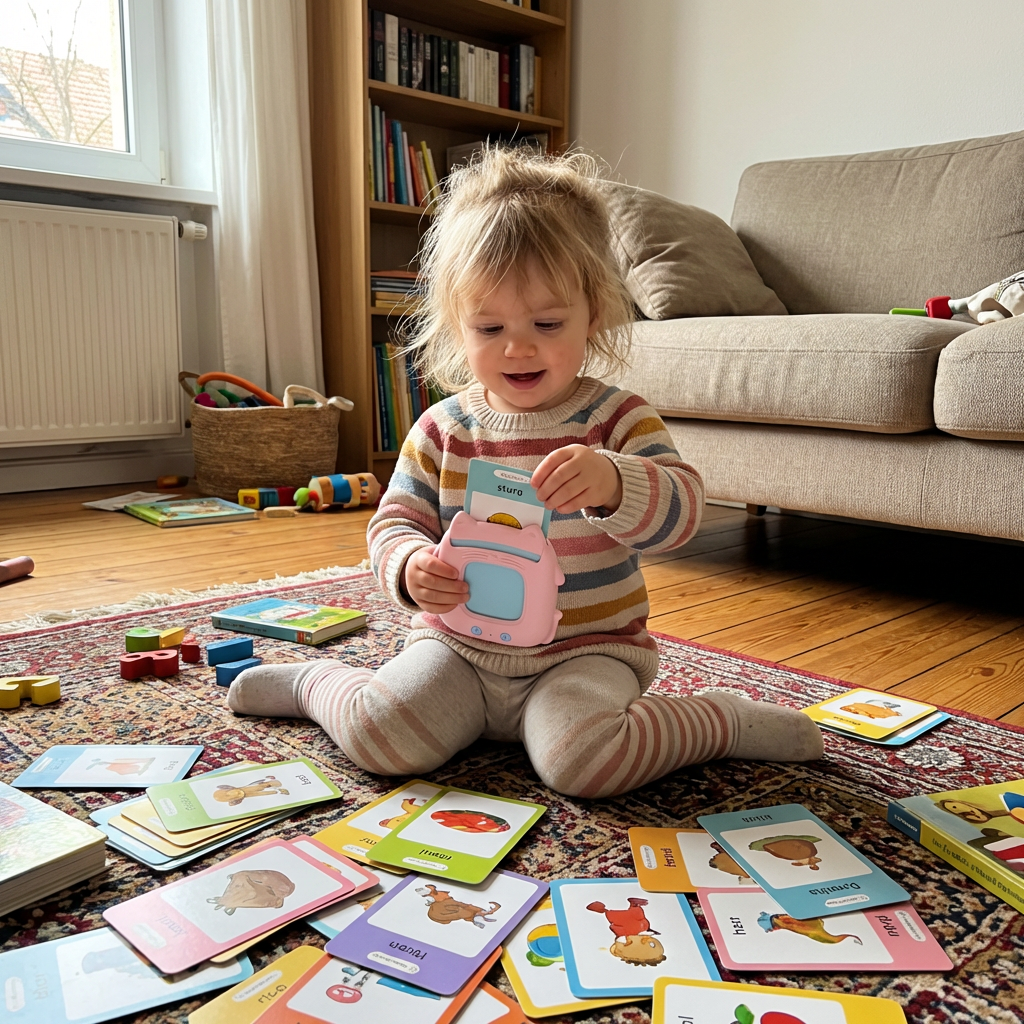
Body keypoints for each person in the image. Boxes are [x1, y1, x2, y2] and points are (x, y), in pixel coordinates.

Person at [227, 147, 823, 797]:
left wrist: (617, 483)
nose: (519, 346)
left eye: (546, 322)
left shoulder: (616, 417)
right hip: (457, 649)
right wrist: (408, 567)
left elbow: (683, 512)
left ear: (594, 313)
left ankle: (718, 720)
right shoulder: (443, 429)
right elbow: (394, 520)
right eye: (490, 326)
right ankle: (314, 685)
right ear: (457, 326)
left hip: (586, 653)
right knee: (382, 735)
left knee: (585, 765)